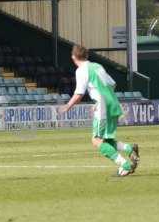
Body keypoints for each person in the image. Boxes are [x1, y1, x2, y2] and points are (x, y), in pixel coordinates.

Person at [59, 45, 139, 176]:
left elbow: (79, 94)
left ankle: (124, 165)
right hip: (112, 102)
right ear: (86, 56)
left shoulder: (81, 70)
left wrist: (67, 106)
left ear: (73, 57)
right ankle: (129, 148)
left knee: (96, 140)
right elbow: (113, 84)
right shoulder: (97, 66)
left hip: (102, 105)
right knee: (106, 139)